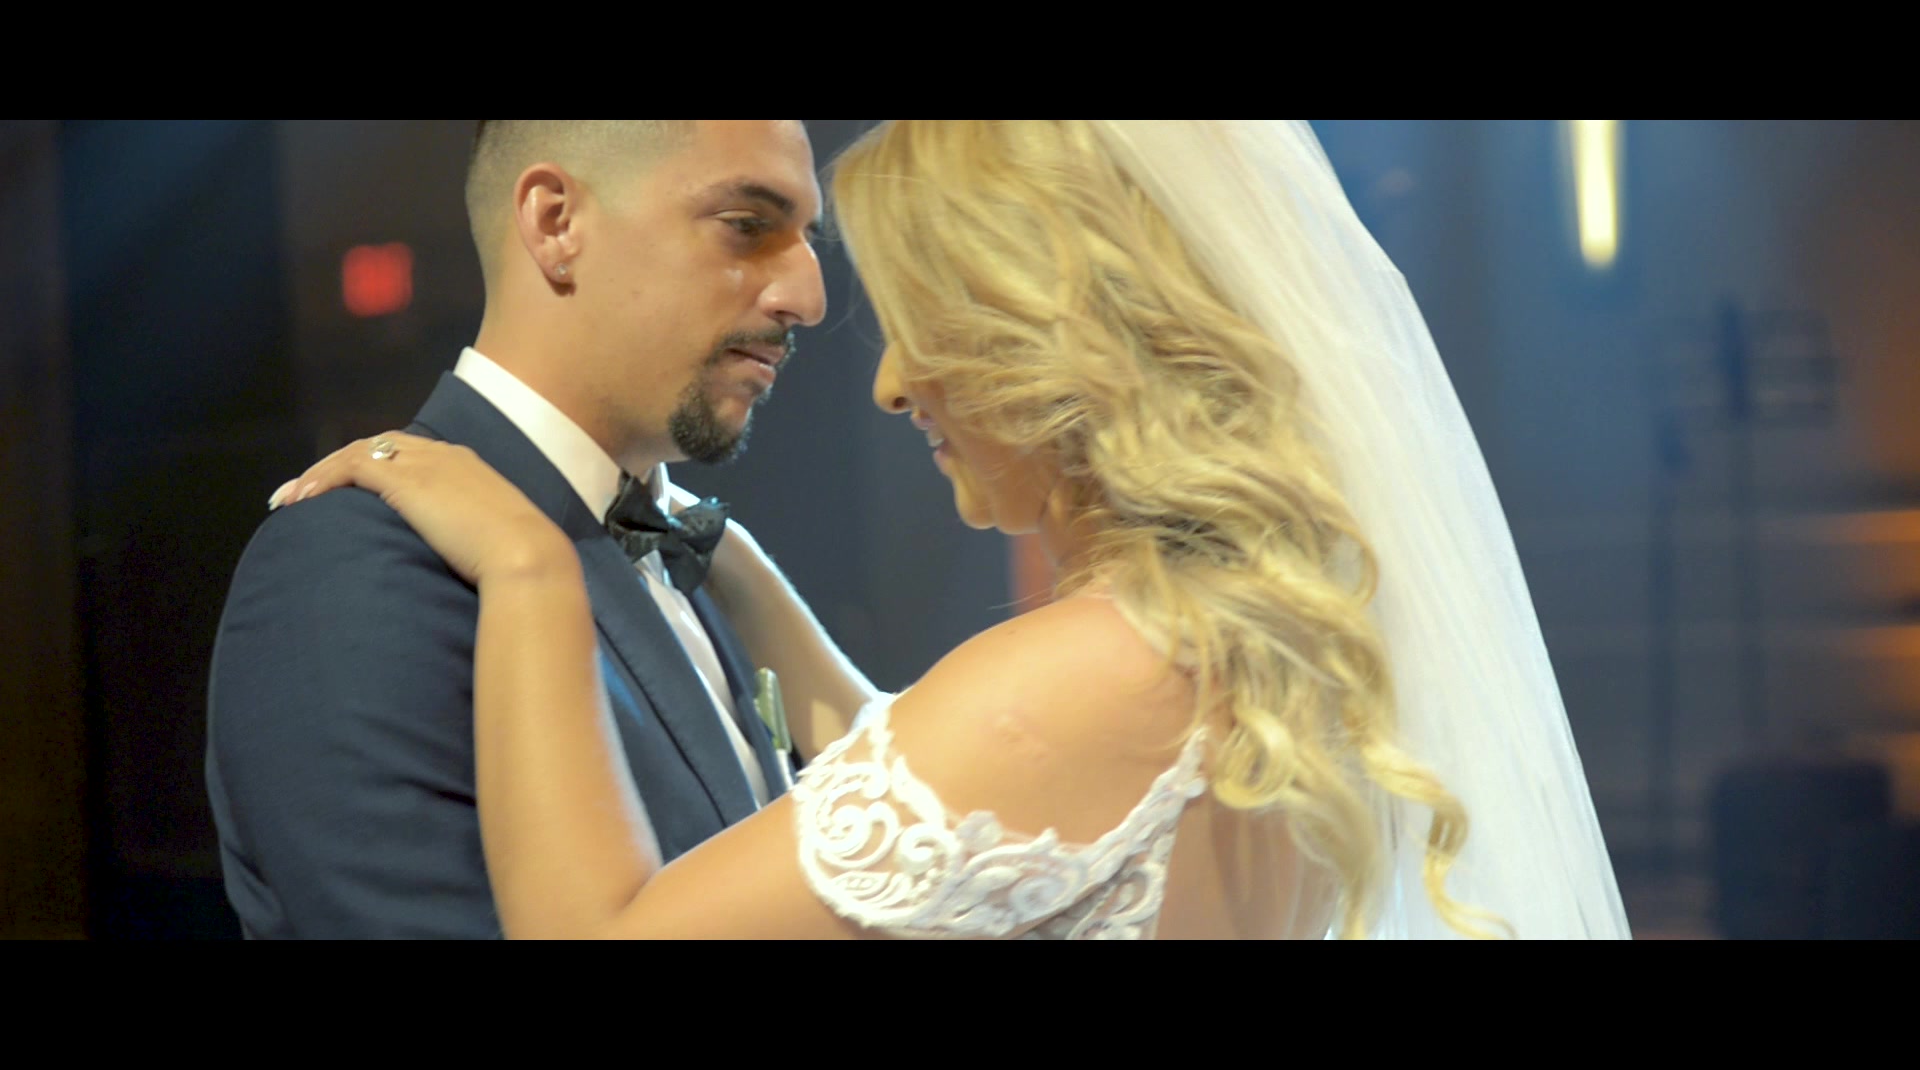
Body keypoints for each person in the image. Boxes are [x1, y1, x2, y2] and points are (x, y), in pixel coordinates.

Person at [276, 120, 1634, 939]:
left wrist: (530, 570)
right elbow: (924, 770)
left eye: (927, 322)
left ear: (1051, 333)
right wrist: (714, 550)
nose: (884, 379)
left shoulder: (1072, 679)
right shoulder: (1249, 653)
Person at [204, 120, 873, 937]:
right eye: (747, 225)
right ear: (557, 223)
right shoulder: (353, 565)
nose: (807, 297)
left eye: (807, 239)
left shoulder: (705, 566)